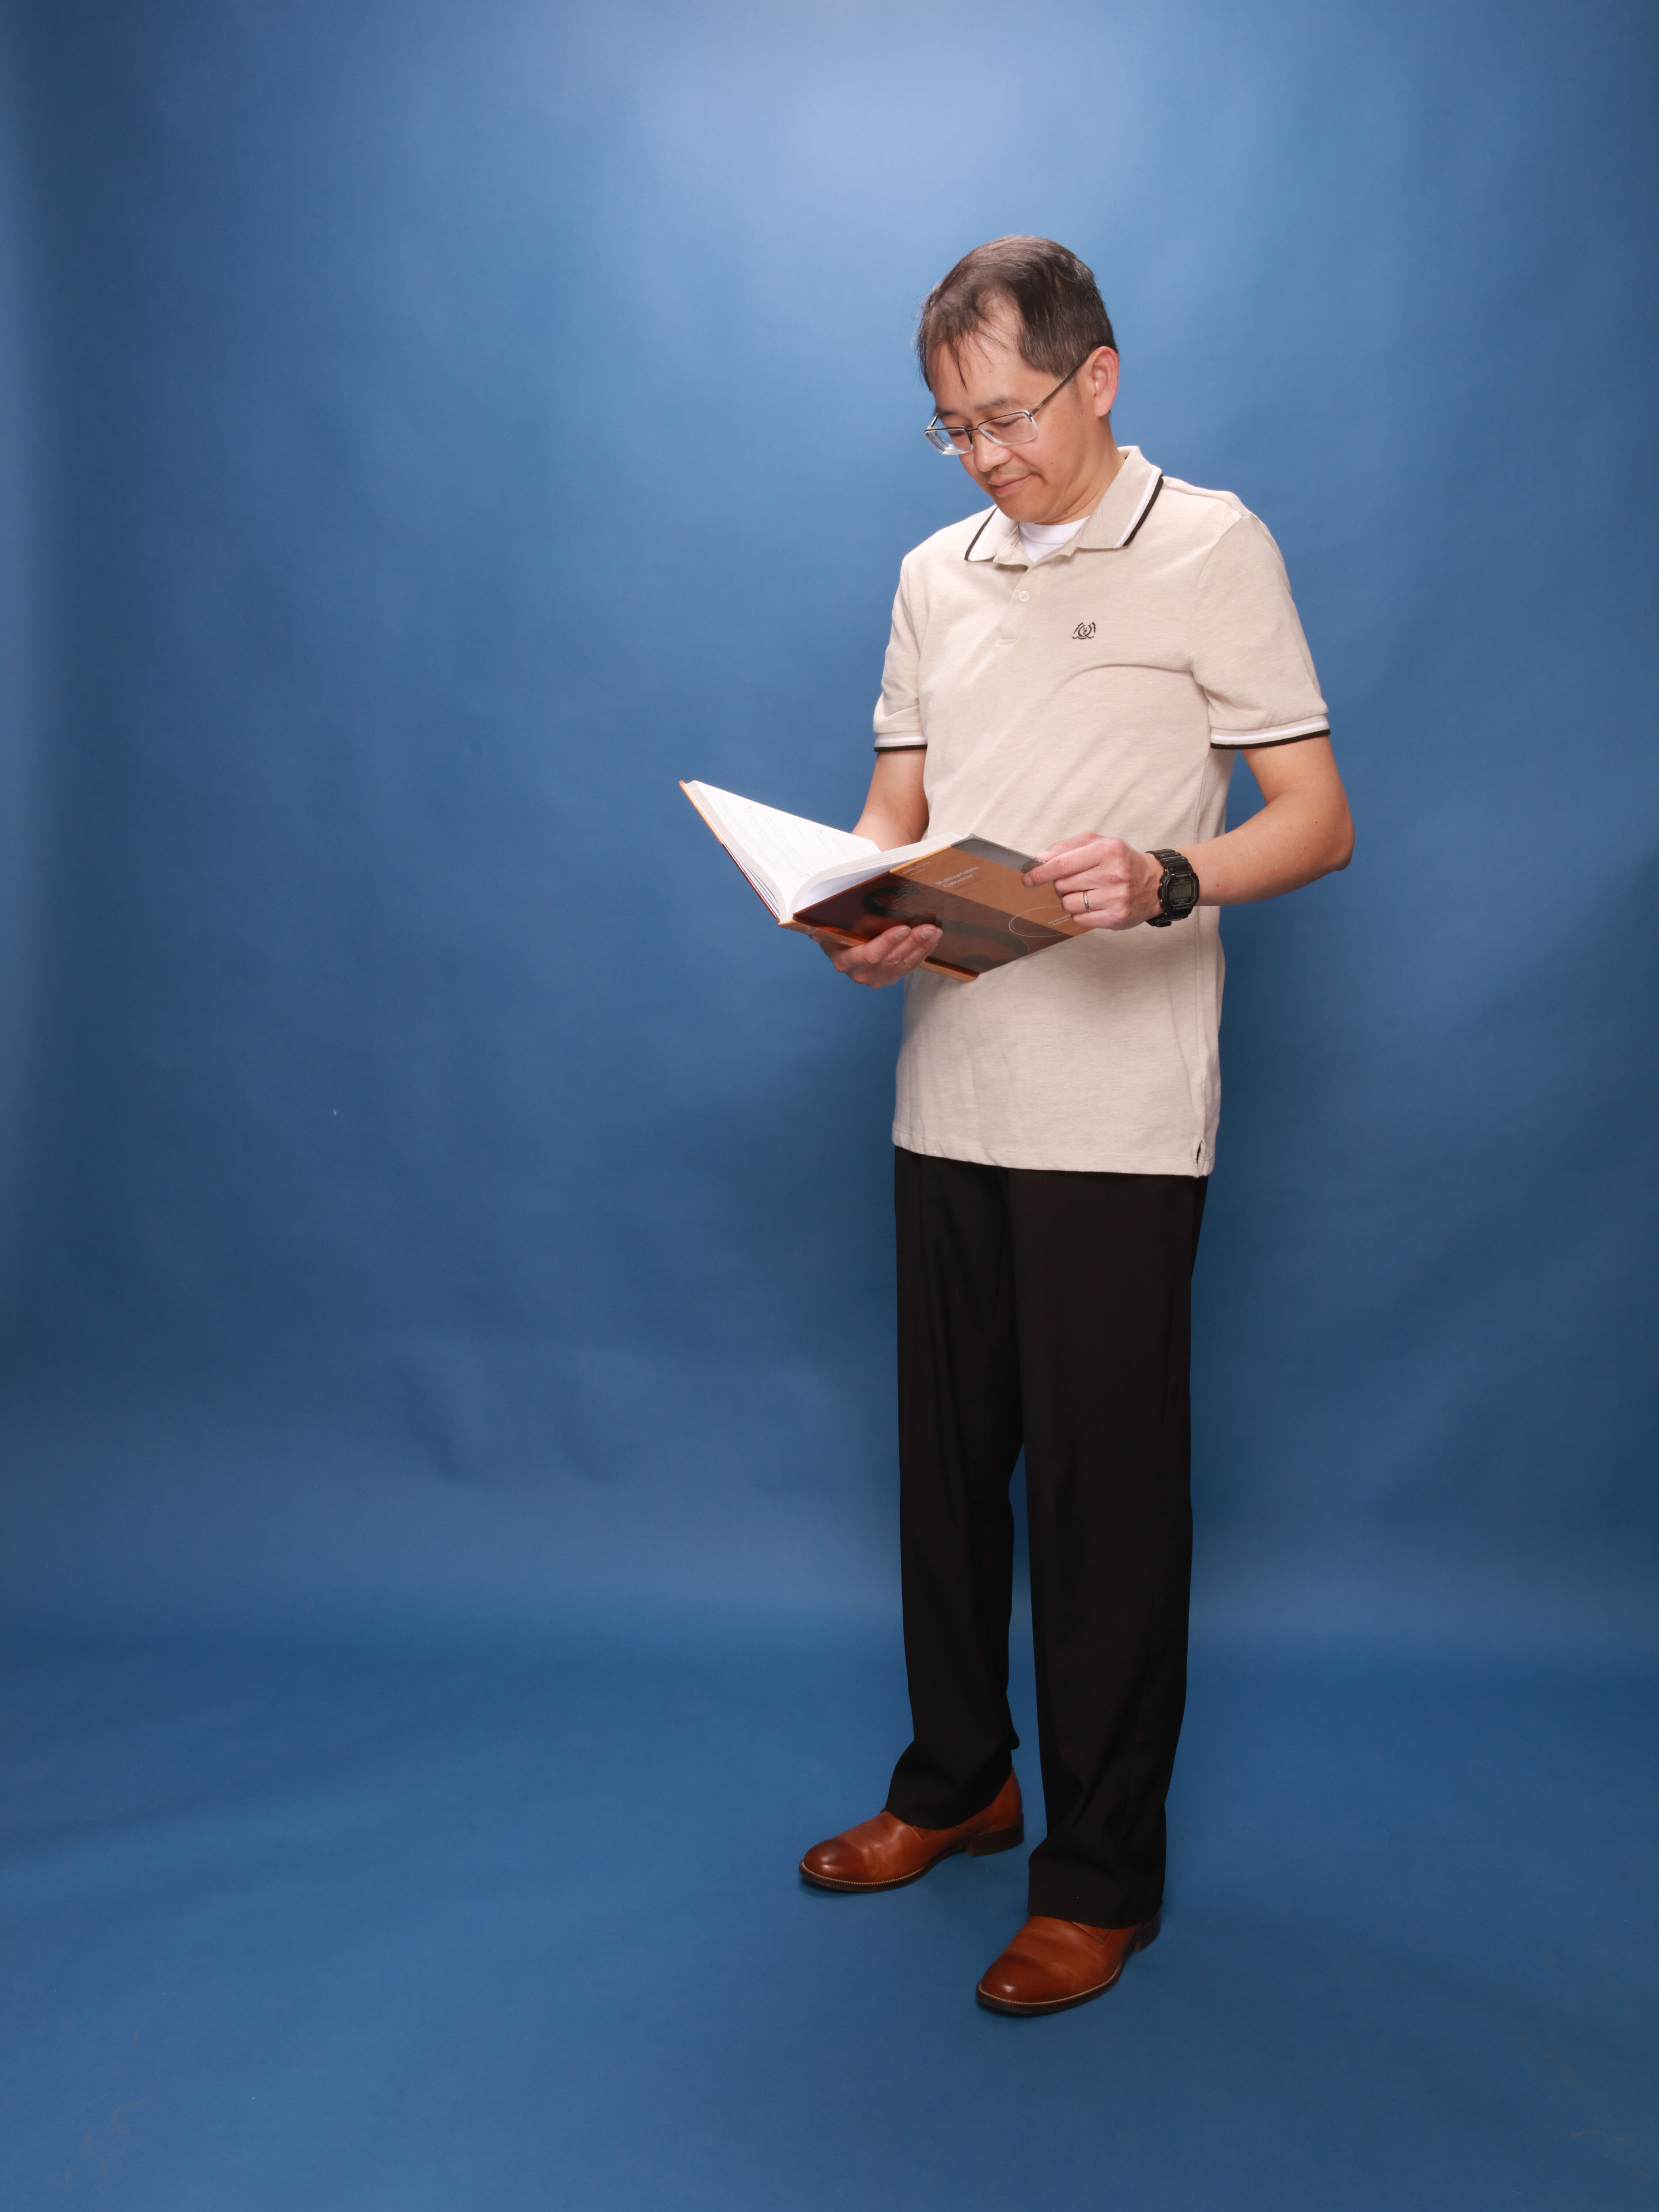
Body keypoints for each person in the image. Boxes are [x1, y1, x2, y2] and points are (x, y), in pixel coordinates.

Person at [797, 237, 1354, 2017]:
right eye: (951, 427)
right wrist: (863, 920)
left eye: (1009, 416)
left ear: (1098, 377)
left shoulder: (1216, 544)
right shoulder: (930, 573)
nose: (984, 456)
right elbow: (897, 808)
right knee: (948, 1480)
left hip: (1120, 1110)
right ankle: (957, 1781)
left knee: (1105, 1506)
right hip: (949, 1090)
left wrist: (1174, 873)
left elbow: (1319, 818)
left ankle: (1100, 1876)